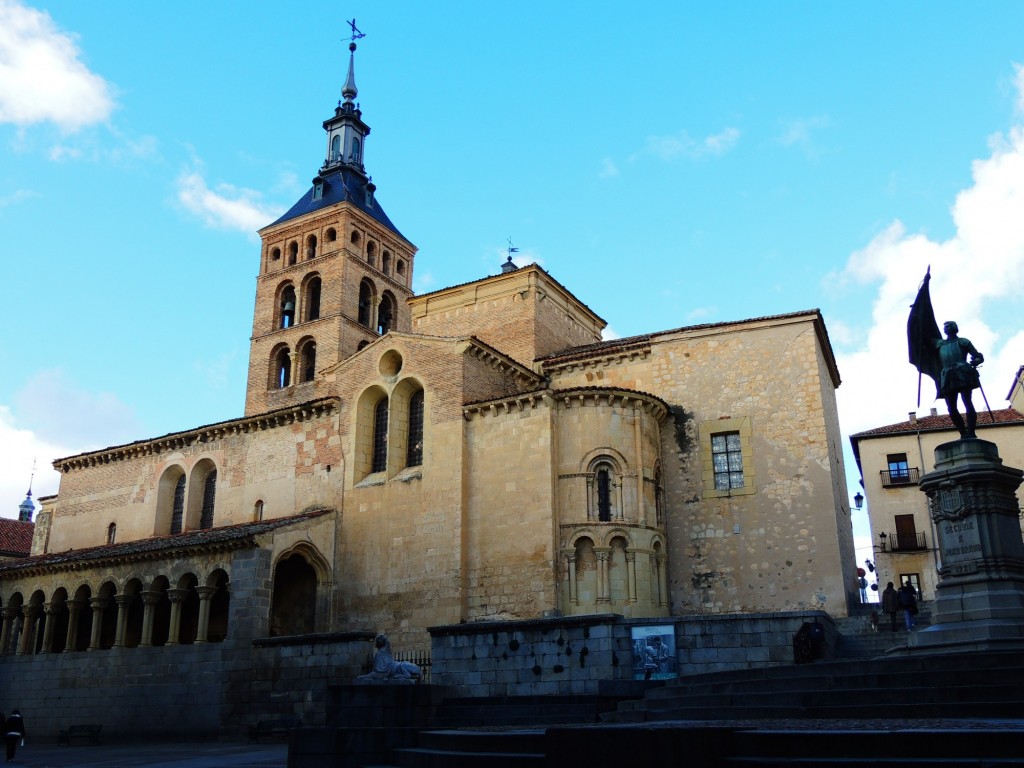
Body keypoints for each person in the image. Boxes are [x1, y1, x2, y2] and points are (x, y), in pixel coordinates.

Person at [935, 321, 984, 438]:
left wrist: (976, 360)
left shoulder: (963, 341)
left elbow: (977, 356)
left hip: (962, 371)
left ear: (953, 328)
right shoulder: (940, 344)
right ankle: (963, 432)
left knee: (967, 402)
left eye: (947, 326)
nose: (945, 329)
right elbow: (925, 343)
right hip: (947, 375)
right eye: (944, 327)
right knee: (951, 408)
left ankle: (971, 431)